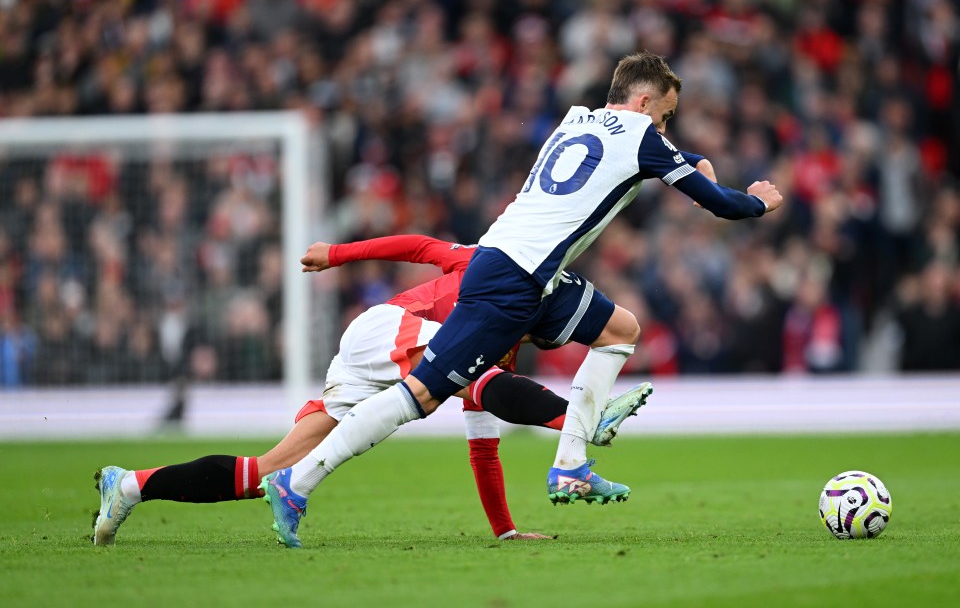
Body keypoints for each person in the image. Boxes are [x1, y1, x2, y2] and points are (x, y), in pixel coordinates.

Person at [264, 50, 783, 543]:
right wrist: (757, 202)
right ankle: (298, 481)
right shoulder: (644, 137)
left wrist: (692, 159)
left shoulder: (576, 118)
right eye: (665, 117)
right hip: (508, 279)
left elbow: (647, 155)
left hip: (532, 276)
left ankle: (570, 465)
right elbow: (721, 206)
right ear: (645, 104)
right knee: (420, 397)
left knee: (620, 330)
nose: (664, 129)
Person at [93, 235, 652, 547]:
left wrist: (505, 531)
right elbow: (415, 246)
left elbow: (483, 443)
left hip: (369, 365)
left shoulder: (500, 357)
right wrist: (335, 255)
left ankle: (132, 486)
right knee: (477, 381)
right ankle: (585, 425)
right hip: (385, 328)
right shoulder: (488, 264)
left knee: (262, 472)